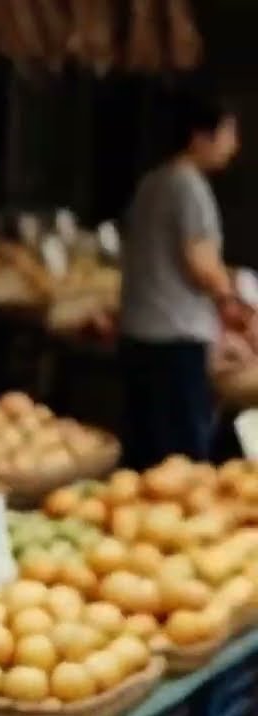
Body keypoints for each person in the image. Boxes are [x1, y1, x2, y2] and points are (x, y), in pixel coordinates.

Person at [119, 88, 241, 472]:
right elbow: (200, 264)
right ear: (201, 136)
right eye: (229, 133)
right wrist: (233, 300)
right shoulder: (188, 186)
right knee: (181, 462)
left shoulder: (152, 182)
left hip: (139, 334)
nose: (234, 145)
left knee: (145, 451)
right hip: (175, 339)